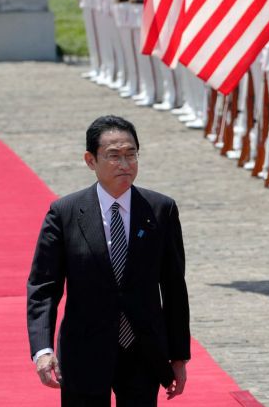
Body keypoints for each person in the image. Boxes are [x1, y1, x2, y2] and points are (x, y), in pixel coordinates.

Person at [27, 115, 190, 406]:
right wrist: (42, 349)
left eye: (131, 155)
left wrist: (178, 356)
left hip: (142, 350)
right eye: (114, 156)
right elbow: (44, 286)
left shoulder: (160, 210)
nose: (125, 164)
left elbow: (174, 286)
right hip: (84, 351)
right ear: (91, 160)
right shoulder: (65, 213)